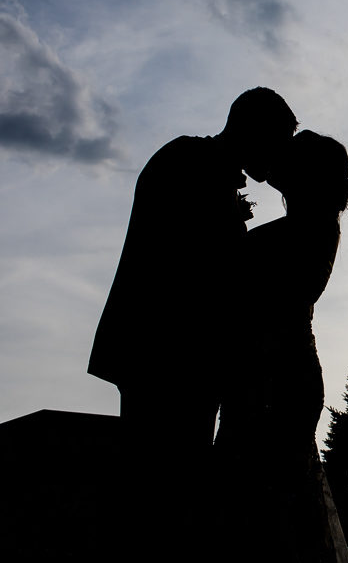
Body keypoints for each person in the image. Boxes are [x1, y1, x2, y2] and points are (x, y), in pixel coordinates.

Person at [88, 87, 298, 447]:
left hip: (181, 356)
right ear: (254, 131)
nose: (282, 155)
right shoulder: (191, 162)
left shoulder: (203, 165)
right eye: (278, 141)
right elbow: (206, 266)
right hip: (165, 355)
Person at [215, 130, 348, 563]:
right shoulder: (310, 227)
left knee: (265, 503)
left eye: (289, 161)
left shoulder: (306, 230)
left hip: (277, 374)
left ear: (304, 176)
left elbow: (243, 278)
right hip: (277, 370)